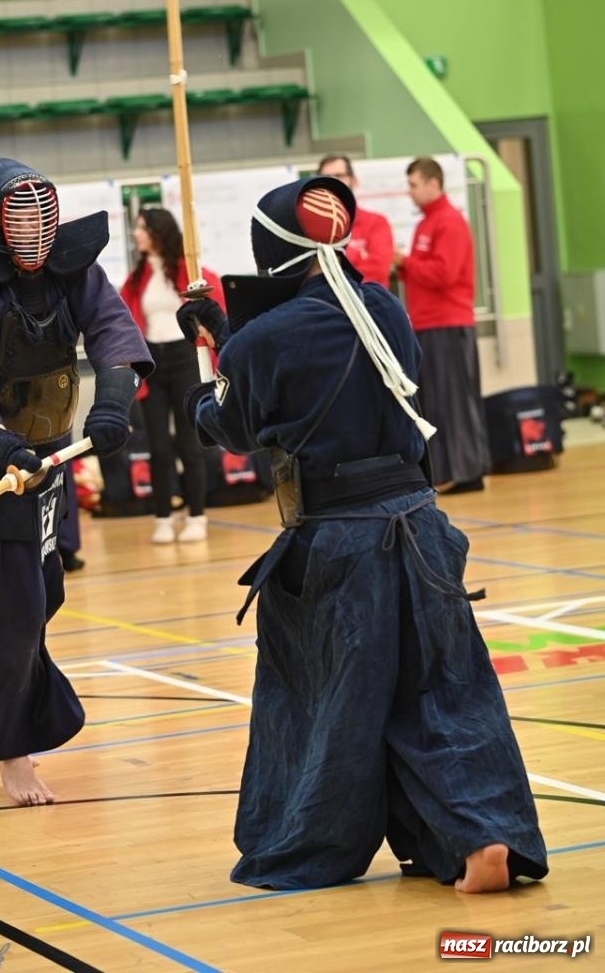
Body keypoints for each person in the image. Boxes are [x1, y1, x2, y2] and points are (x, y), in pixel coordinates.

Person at [176, 174, 548, 894]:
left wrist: (207, 378)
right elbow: (319, 368)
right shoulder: (386, 308)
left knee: (321, 705)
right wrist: (225, 337)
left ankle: (306, 842)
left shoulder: (265, 339)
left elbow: (231, 426)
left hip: (337, 548)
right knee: (443, 695)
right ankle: (479, 837)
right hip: (422, 529)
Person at [0, 157, 152, 806]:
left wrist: (110, 404)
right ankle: (10, 748)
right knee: (1, 606)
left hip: (46, 461)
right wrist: (0, 444)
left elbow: (114, 335)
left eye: (40, 220)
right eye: (18, 222)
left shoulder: (74, 270)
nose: (33, 236)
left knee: (39, 596)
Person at [120, 207, 225, 544]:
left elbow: (214, 297)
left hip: (184, 357)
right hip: (152, 362)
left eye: (141, 228)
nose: (136, 234)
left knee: (188, 442)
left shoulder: (188, 270)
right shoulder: (136, 280)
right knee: (158, 447)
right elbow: (122, 319)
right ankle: (163, 516)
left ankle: (197, 515)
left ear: (159, 232)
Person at [392, 156, 490, 492]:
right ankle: (448, 469)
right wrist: (406, 265)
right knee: (436, 400)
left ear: (434, 183)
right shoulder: (427, 223)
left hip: (448, 323)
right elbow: (426, 269)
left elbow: (444, 274)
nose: (410, 192)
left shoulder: (449, 222)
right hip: (427, 324)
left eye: (414, 184)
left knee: (454, 401)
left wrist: (406, 262)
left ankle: (465, 472)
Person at [318, 154, 394, 286]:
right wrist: (359, 256)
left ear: (353, 180)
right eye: (326, 178)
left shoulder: (376, 222)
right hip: (329, 305)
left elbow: (379, 272)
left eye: (339, 176)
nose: (333, 182)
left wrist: (339, 258)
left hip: (369, 304)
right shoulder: (313, 228)